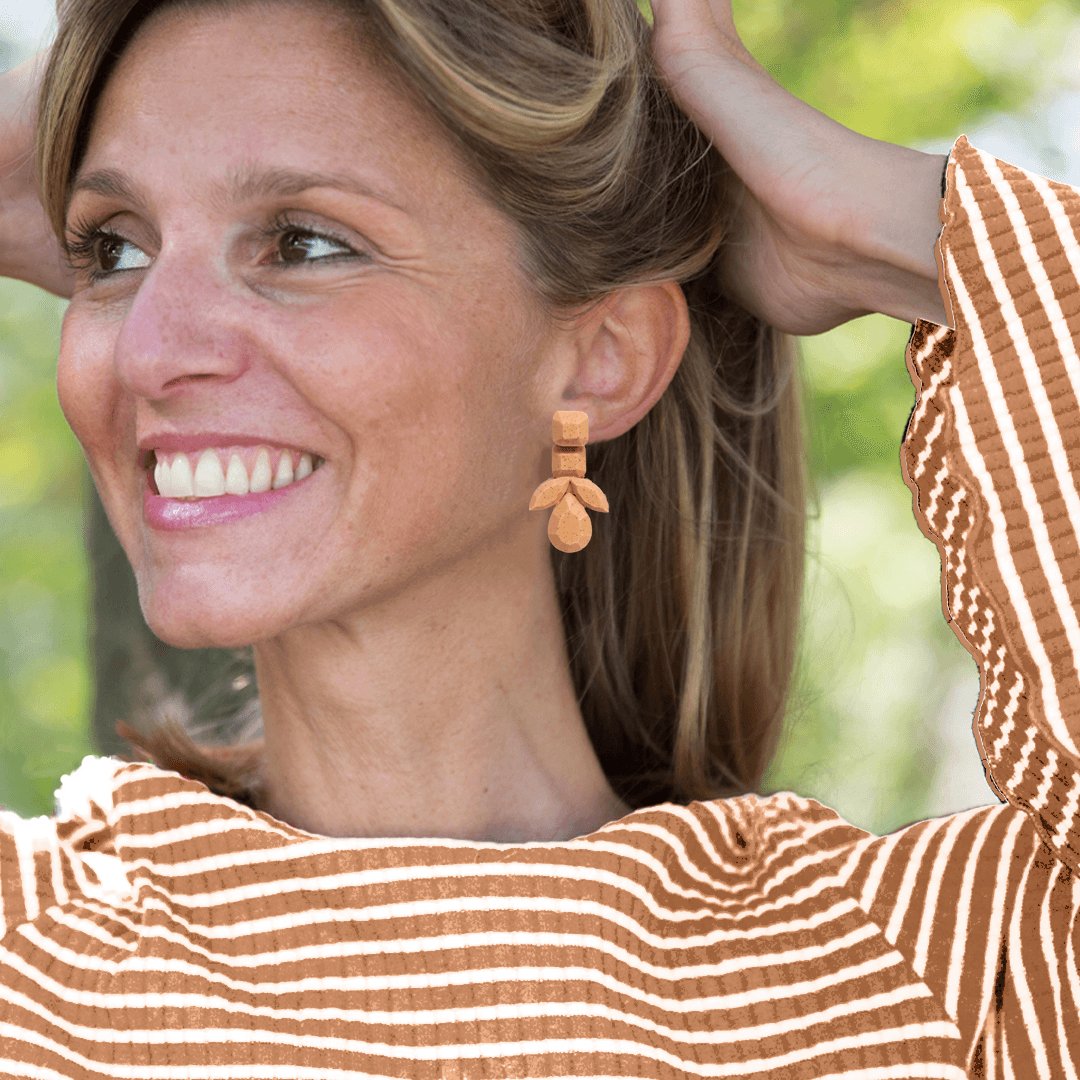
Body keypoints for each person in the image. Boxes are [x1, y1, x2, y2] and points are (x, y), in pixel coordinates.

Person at [0, 0, 1075, 1075]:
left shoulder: (927, 970)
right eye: (114, 250)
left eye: (303, 244)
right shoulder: (29, 948)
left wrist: (894, 228)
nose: (148, 353)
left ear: (604, 357)